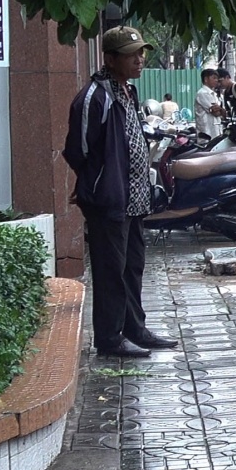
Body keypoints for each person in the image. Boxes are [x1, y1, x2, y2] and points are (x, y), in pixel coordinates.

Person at [63, 27, 179, 358]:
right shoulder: (94, 97)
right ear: (111, 59)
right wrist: (96, 182)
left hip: (134, 200)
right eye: (131, 55)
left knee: (132, 267)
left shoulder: (126, 91)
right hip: (109, 201)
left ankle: (134, 328)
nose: (139, 59)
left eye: (141, 53)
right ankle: (109, 339)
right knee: (110, 270)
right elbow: (78, 149)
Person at [192, 67, 226, 141]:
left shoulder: (214, 94)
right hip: (207, 133)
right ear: (206, 79)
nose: (216, 80)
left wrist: (220, 109)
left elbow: (222, 112)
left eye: (217, 78)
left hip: (216, 131)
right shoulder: (203, 93)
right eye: (214, 78)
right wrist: (220, 110)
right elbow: (216, 113)